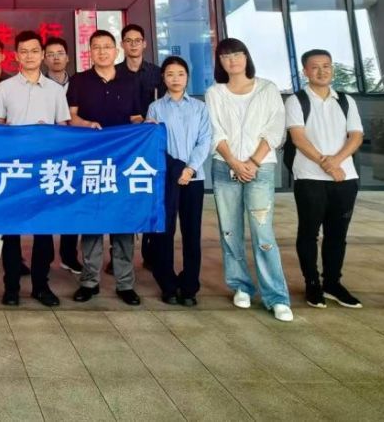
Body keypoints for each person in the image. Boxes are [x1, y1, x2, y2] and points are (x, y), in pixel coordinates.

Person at [205, 37, 292, 322]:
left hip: (260, 168)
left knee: (262, 232)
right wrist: (233, 162)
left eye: (237, 54)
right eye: (226, 56)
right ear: (219, 62)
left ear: (247, 57)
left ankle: (276, 296)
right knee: (229, 230)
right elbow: (215, 131)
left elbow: (275, 128)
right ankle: (241, 285)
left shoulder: (267, 88)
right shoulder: (215, 92)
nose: (232, 60)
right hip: (225, 167)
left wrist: (252, 162)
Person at [0, 30, 70, 307]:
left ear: (42, 55)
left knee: (44, 230)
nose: (29, 56)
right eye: (24, 51)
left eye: (34, 51)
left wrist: (47, 135)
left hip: (45, 169)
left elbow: (63, 128)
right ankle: (11, 287)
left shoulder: (55, 90)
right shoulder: (4, 88)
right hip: (14, 169)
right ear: (16, 56)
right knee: (10, 231)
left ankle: (41, 285)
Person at [68, 30, 143, 306]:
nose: (102, 51)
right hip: (90, 161)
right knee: (92, 221)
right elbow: (71, 117)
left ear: (116, 50)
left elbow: (136, 117)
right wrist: (87, 125)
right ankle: (89, 281)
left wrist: (143, 130)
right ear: (90, 52)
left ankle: (125, 284)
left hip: (123, 163)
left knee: (123, 222)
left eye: (107, 47)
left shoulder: (130, 82)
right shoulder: (79, 80)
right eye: (96, 47)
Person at [286, 49, 364, 309]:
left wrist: (336, 161)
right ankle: (312, 283)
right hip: (309, 178)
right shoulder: (296, 101)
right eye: (315, 67)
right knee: (309, 233)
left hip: (345, 178)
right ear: (305, 71)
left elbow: (356, 136)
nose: (322, 71)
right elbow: (298, 138)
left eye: (327, 66)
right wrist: (326, 164)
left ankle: (332, 283)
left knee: (337, 234)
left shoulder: (346, 100)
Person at [146, 56, 211, 306]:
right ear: (163, 78)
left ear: (187, 77)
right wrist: (176, 170)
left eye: (180, 74)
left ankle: (190, 286)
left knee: (191, 233)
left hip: (193, 178)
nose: (175, 78)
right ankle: (168, 285)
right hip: (166, 179)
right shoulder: (155, 108)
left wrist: (190, 168)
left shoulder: (199, 108)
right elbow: (154, 144)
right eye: (170, 74)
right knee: (165, 233)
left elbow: (205, 140)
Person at [116, 24, 164, 270]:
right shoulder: (114, 73)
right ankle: (118, 257)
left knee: (150, 195)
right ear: (122, 45)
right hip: (123, 145)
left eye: (137, 40)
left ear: (144, 43)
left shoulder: (158, 73)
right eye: (128, 40)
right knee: (121, 198)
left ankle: (150, 253)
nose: (133, 44)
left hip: (151, 146)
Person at [44, 36, 82, 275]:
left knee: (72, 203)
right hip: (46, 153)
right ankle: (45, 256)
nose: (56, 58)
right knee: (45, 203)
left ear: (68, 57)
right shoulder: (38, 85)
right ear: (44, 59)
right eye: (51, 54)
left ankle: (69, 255)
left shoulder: (79, 84)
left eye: (60, 53)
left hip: (75, 152)